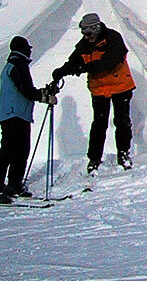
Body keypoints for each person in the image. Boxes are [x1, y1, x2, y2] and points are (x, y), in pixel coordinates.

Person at [51, 13, 136, 173]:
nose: (86, 37)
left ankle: (123, 154)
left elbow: (108, 63)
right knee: (99, 124)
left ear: (96, 28)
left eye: (88, 33)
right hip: (99, 89)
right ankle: (94, 159)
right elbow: (74, 61)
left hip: (121, 86)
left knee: (122, 121)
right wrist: (61, 71)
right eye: (84, 33)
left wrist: (83, 68)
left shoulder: (113, 39)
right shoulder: (84, 45)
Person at [0, 36, 56, 205]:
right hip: (15, 114)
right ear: (22, 49)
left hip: (12, 114)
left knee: (15, 150)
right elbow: (26, 90)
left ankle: (6, 185)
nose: (30, 51)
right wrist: (43, 97)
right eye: (28, 48)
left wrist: (41, 94)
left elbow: (23, 89)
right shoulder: (18, 65)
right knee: (13, 151)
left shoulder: (10, 65)